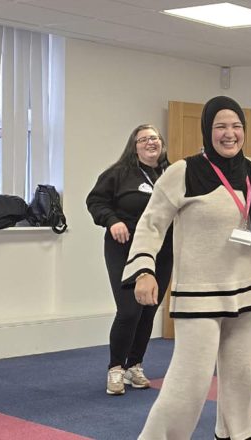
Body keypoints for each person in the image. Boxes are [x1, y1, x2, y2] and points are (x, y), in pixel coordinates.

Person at [121, 96, 251, 440]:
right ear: (207, 130)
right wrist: (144, 270)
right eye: (220, 127)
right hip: (199, 297)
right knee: (189, 385)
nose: (229, 134)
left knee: (241, 380)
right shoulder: (182, 172)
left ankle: (238, 435)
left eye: (235, 127)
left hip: (245, 293)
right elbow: (151, 225)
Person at [86, 124, 174, 396]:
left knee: (148, 309)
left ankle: (135, 365)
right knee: (129, 310)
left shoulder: (172, 175)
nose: (151, 142)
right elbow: (96, 202)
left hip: (162, 250)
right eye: (144, 139)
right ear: (134, 146)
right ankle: (115, 368)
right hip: (124, 248)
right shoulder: (118, 174)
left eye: (155, 138)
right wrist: (112, 221)